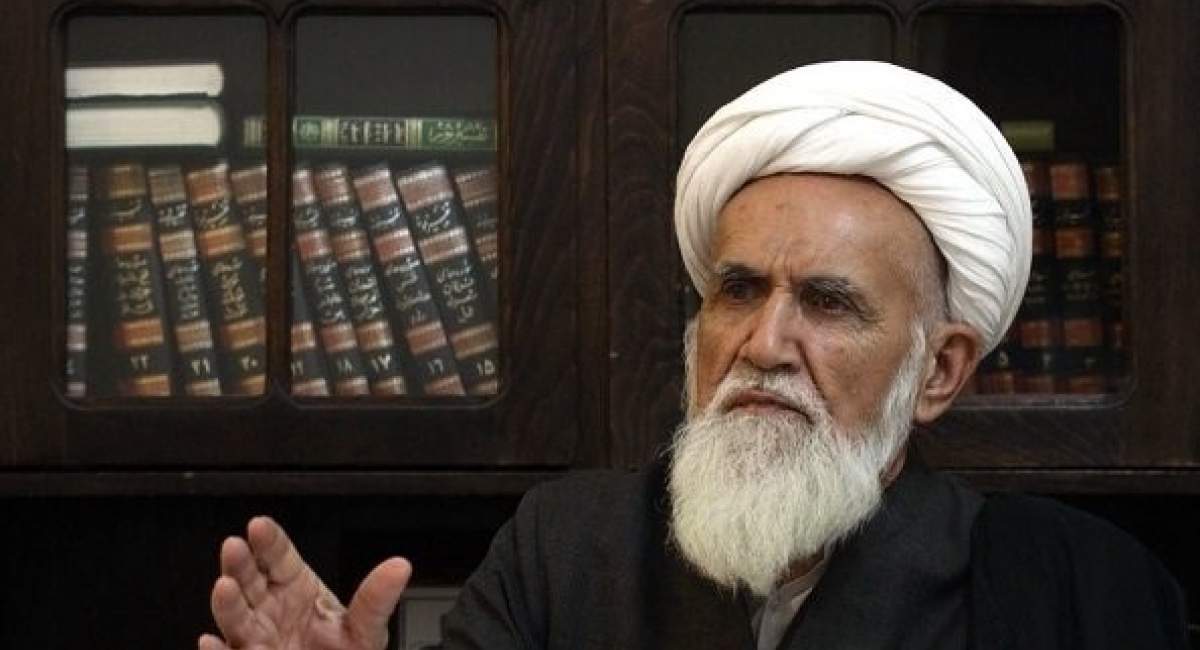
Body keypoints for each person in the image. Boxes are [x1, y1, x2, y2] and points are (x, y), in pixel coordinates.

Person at [199, 61, 1188, 650]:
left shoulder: (1079, 591)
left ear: (939, 372)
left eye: (829, 303)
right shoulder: (564, 551)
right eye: (739, 290)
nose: (765, 344)